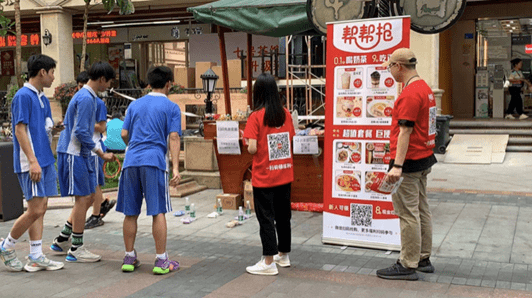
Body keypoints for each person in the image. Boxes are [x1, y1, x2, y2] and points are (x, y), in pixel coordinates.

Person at [376, 48, 438, 281]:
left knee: (408, 212)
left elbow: (405, 131)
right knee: (422, 209)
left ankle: (408, 262)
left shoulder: (410, 93)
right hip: (423, 157)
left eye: (390, 66)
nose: (389, 71)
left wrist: (397, 166)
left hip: (409, 161)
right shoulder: (425, 89)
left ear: (399, 66)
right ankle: (422, 257)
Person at [0, 55, 65, 272]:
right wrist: (32, 161)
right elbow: (19, 130)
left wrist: (55, 128)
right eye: (52, 72)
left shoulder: (41, 97)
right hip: (32, 162)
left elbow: (41, 127)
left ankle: (36, 255)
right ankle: (6, 246)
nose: (54, 77)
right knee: (35, 209)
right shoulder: (23, 96)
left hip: (44, 159)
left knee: (40, 208)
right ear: (42, 72)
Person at [116, 66, 181, 274]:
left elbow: (124, 133)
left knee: (130, 212)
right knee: (157, 210)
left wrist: (134, 144)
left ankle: (129, 257)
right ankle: (161, 260)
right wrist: (176, 167)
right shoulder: (171, 107)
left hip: (131, 161)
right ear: (169, 84)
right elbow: (173, 137)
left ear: (149, 83)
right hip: (154, 161)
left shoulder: (135, 105)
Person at [51, 61, 115, 262]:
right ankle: (76, 248)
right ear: (102, 79)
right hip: (75, 153)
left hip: (80, 153)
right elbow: (80, 131)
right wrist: (100, 152)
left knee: (87, 197)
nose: (109, 86)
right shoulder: (87, 98)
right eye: (109, 81)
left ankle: (63, 239)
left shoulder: (87, 97)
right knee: (83, 199)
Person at [243, 73, 295, 276]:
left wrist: (247, 142)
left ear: (258, 93)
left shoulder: (255, 116)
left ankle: (268, 262)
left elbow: (253, 148)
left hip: (264, 176)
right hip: (284, 174)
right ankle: (283, 255)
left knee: (266, 219)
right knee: (283, 217)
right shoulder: (285, 114)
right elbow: (290, 139)